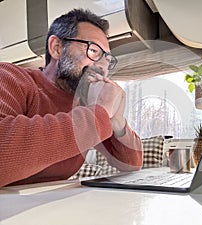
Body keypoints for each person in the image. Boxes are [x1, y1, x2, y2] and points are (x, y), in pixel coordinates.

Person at [0, 8, 143, 187]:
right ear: (57, 48)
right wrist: (99, 113)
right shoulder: (10, 76)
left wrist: (117, 120)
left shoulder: (86, 105)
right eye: (94, 50)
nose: (102, 66)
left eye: (107, 59)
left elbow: (131, 164)